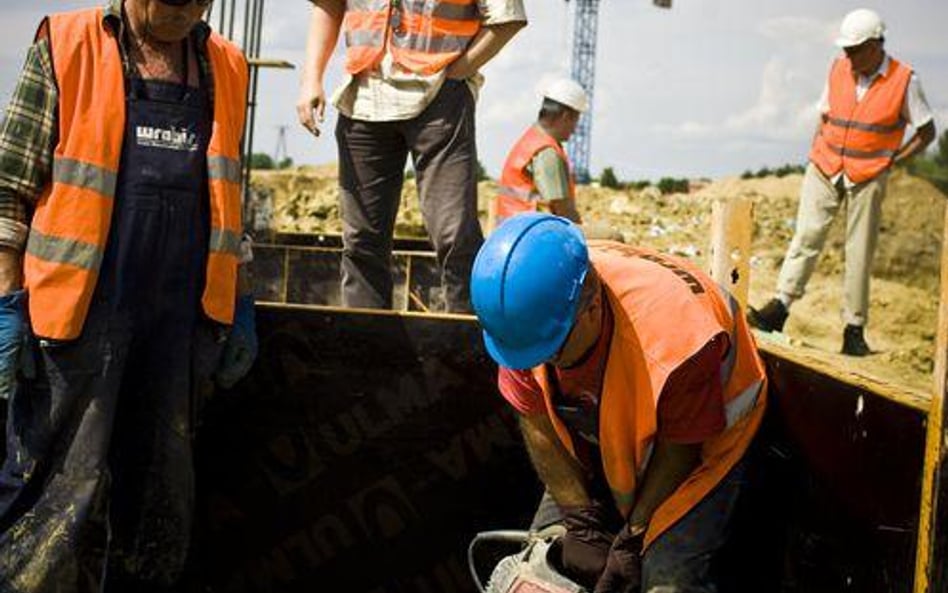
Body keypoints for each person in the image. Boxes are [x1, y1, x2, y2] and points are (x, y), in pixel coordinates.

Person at [0, 0, 258, 590]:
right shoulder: (68, 44)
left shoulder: (226, 63)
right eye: (169, 2)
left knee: (158, 509)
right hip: (75, 326)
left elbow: (229, 204)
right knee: (48, 502)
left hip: (179, 330)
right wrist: (6, 302)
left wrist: (239, 302)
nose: (181, 14)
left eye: (196, 2)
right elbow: (6, 189)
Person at [470, 213, 767, 592]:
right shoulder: (523, 314)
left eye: (552, 351)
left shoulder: (675, 338)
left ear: (591, 308)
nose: (537, 363)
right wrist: (579, 519)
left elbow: (680, 449)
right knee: (542, 571)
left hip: (701, 446)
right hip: (604, 423)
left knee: (665, 582)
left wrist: (632, 537)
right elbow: (535, 418)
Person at [297, 0, 527, 313]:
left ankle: (464, 345)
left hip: (440, 98)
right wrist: (311, 78)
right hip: (364, 96)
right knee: (362, 241)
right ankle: (366, 342)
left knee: (454, 235)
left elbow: (507, 18)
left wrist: (458, 71)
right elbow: (329, 5)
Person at [748, 8, 936, 356]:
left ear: (876, 45)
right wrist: (817, 150)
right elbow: (825, 114)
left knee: (859, 252)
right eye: (846, 49)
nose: (848, 56)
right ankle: (780, 308)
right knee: (806, 236)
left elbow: (927, 131)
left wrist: (894, 160)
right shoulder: (838, 69)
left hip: (868, 175)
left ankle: (853, 331)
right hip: (824, 165)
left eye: (854, 50)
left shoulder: (905, 80)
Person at [491, 78, 586, 231]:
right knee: (612, 237)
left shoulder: (531, 140)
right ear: (565, 116)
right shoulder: (546, 151)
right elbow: (564, 211)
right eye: (576, 121)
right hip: (532, 236)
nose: (575, 130)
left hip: (514, 232)